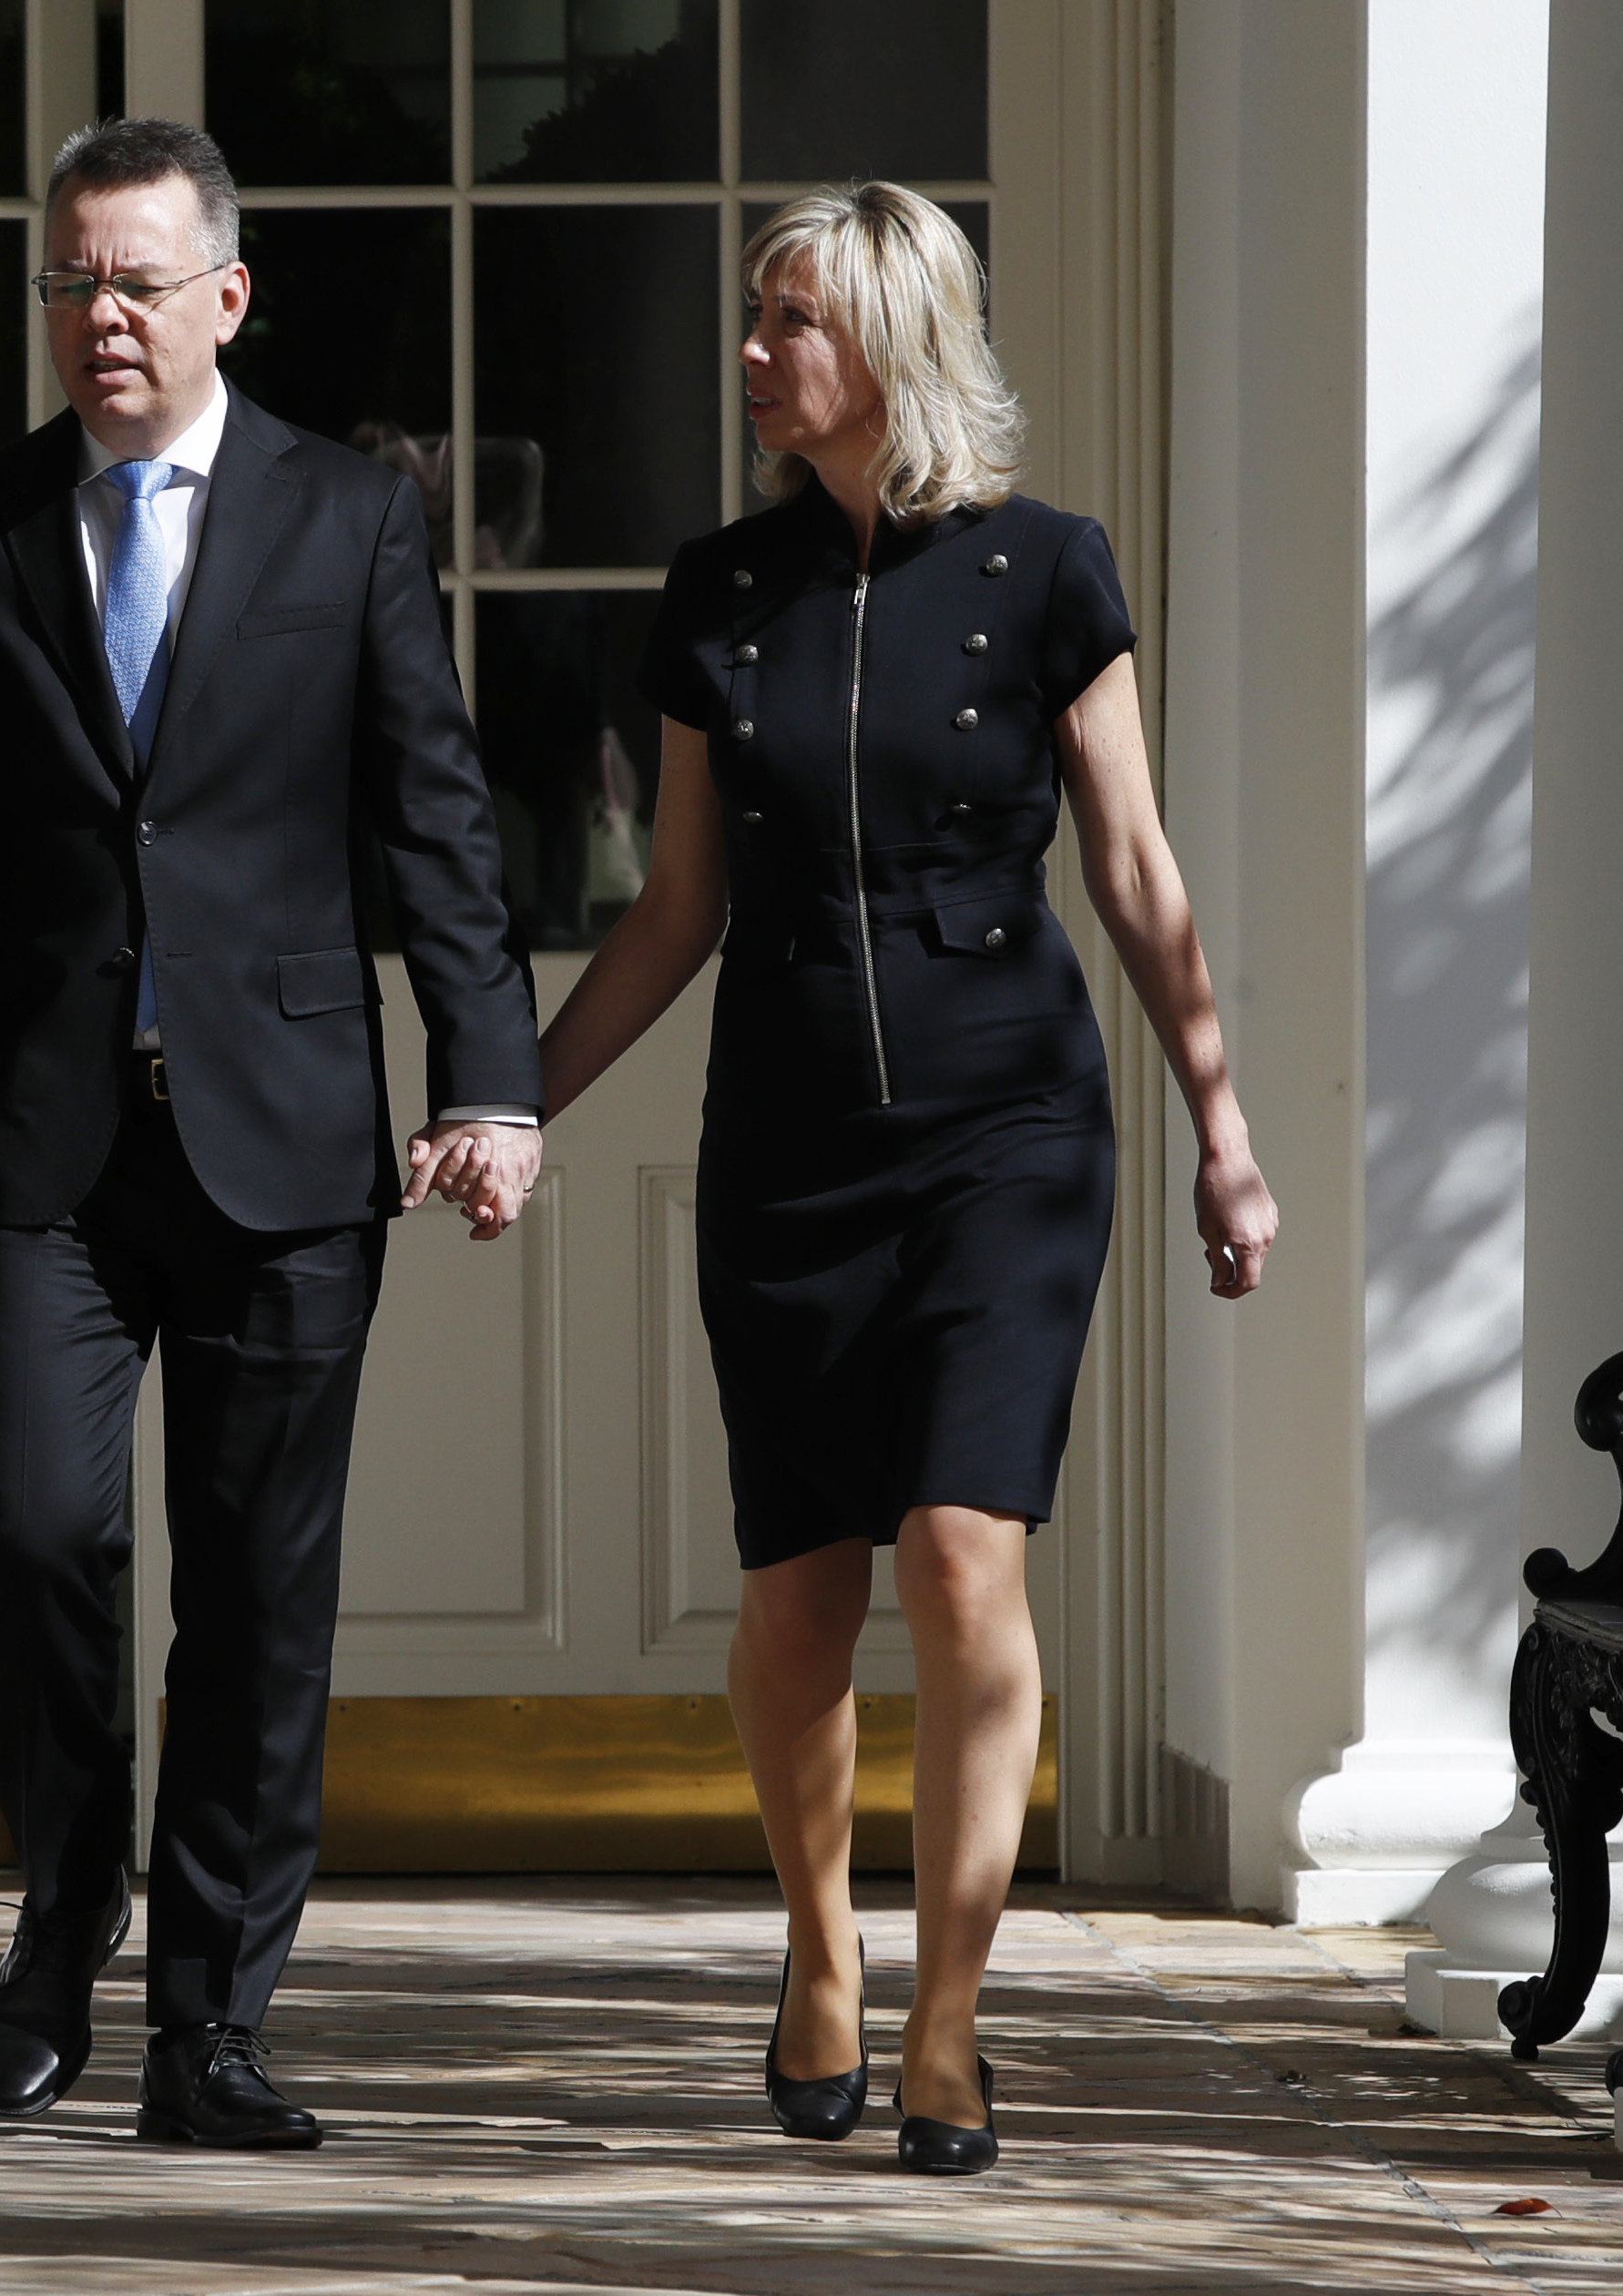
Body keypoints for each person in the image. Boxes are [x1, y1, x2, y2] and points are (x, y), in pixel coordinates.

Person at [535, 183, 1277, 2178]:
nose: (756, 351)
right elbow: (674, 903)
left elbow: (1129, 871)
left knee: (962, 1551)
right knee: (797, 1583)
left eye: (791, 320)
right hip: (781, 1134)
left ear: (888, 341)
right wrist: (517, 1096)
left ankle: (949, 2014)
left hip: (1007, 1128)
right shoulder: (716, 588)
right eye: (755, 317)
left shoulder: (1048, 571)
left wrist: (1219, 1123)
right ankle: (816, 1952)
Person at [0, 117, 543, 2150]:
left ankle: (211, 2023)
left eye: (138, 282)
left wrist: (481, 1078)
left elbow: (436, 817)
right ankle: (61, 1917)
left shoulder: (350, 520)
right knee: (41, 1537)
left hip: (289, 1133)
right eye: (69, 285)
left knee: (252, 1585)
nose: (100, 319)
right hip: (37, 1139)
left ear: (226, 296)